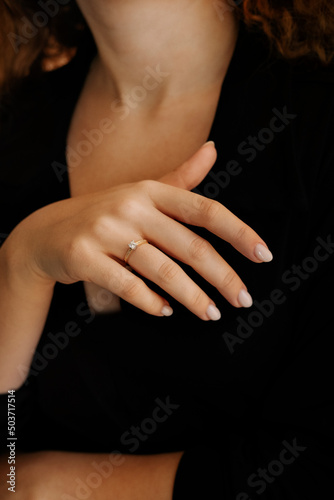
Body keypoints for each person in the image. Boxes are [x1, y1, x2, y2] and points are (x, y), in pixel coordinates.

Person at [0, 0, 333, 498]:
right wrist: (20, 266)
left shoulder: (317, 123)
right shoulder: (14, 129)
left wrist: (45, 487)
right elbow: (6, 434)